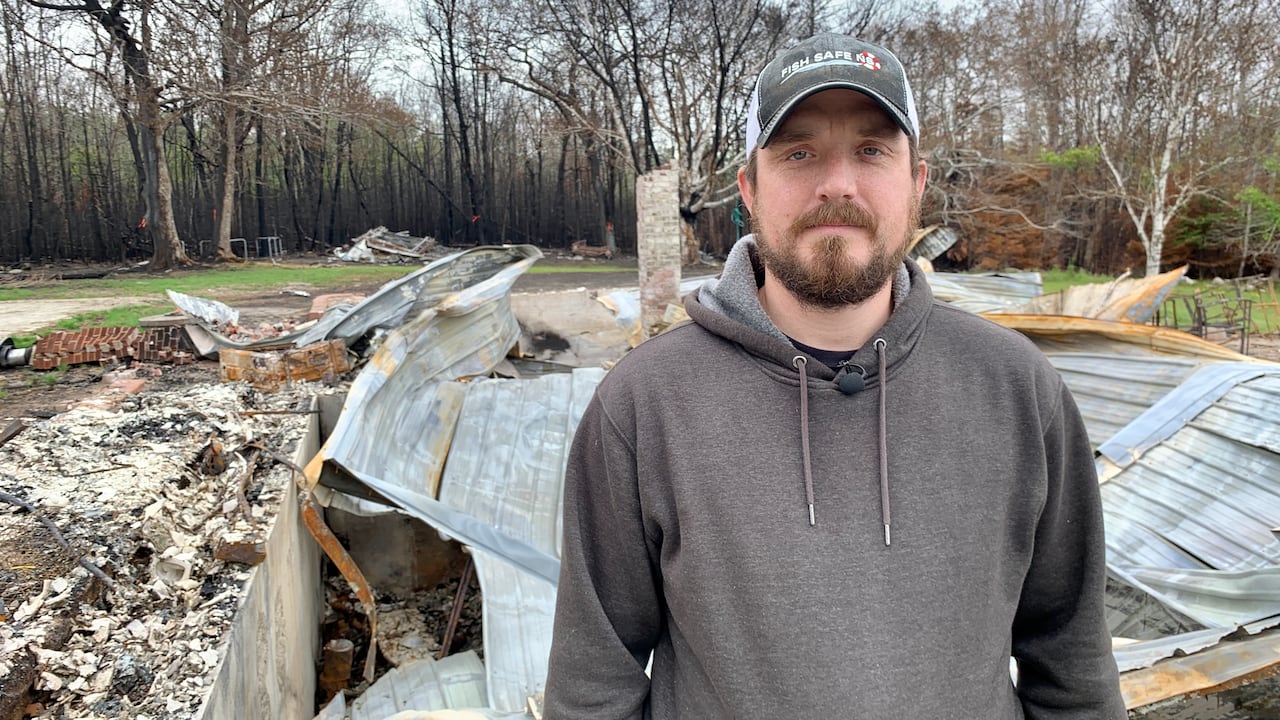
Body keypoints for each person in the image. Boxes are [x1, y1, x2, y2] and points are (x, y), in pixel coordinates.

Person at [544, 33, 1125, 719]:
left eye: (872, 150)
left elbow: (1074, 664)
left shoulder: (1019, 390)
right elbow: (593, 688)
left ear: (917, 185)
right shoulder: (644, 406)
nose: (838, 184)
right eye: (799, 152)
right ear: (749, 190)